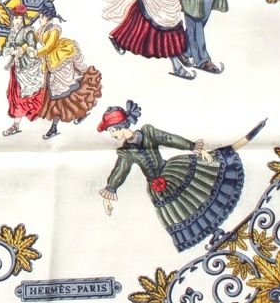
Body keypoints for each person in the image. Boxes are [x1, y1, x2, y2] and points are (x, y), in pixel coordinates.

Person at [97, 100, 265, 252]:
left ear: (120, 125)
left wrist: (194, 148)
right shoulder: (126, 152)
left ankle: (217, 231)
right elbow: (120, 170)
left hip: (173, 173)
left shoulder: (148, 132)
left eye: (112, 130)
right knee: (182, 212)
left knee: (197, 198)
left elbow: (169, 139)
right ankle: (214, 235)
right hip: (158, 190)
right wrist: (109, 191)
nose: (112, 134)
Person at [27, 0, 103, 140]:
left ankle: (59, 124)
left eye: (41, 16)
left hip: (59, 63)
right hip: (50, 64)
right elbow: (36, 41)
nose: (39, 19)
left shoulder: (54, 29)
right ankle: (71, 118)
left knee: (62, 94)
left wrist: (36, 53)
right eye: (39, 16)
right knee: (57, 96)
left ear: (47, 17)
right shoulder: (41, 29)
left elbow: (49, 47)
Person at [2, 4, 48, 135]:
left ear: (23, 19)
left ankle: (48, 114)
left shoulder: (28, 31)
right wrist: (10, 51)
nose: (16, 21)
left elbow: (31, 44)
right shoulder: (12, 33)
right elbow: (5, 48)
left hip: (29, 67)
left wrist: (22, 49)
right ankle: (16, 125)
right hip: (16, 69)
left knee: (37, 94)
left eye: (19, 18)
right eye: (14, 18)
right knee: (16, 96)